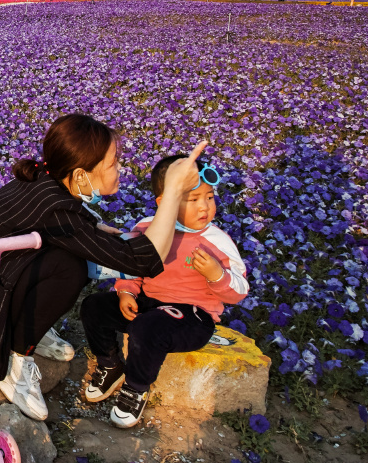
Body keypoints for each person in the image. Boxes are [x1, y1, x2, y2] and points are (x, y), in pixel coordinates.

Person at [0, 114, 206, 421]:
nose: (120, 168)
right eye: (113, 163)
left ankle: (29, 324)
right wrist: (173, 192)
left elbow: (72, 217)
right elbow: (143, 261)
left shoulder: (46, 177)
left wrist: (95, 226)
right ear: (81, 174)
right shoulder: (55, 211)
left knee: (72, 259)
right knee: (71, 269)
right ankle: (16, 355)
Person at [80, 154, 247, 428]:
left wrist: (216, 274)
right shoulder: (147, 228)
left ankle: (136, 387)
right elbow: (132, 266)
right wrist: (126, 291)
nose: (204, 207)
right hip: (148, 303)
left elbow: (238, 291)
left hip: (193, 316)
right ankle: (110, 364)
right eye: (192, 200)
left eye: (209, 197)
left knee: (148, 327)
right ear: (164, 202)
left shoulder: (217, 241)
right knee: (94, 307)